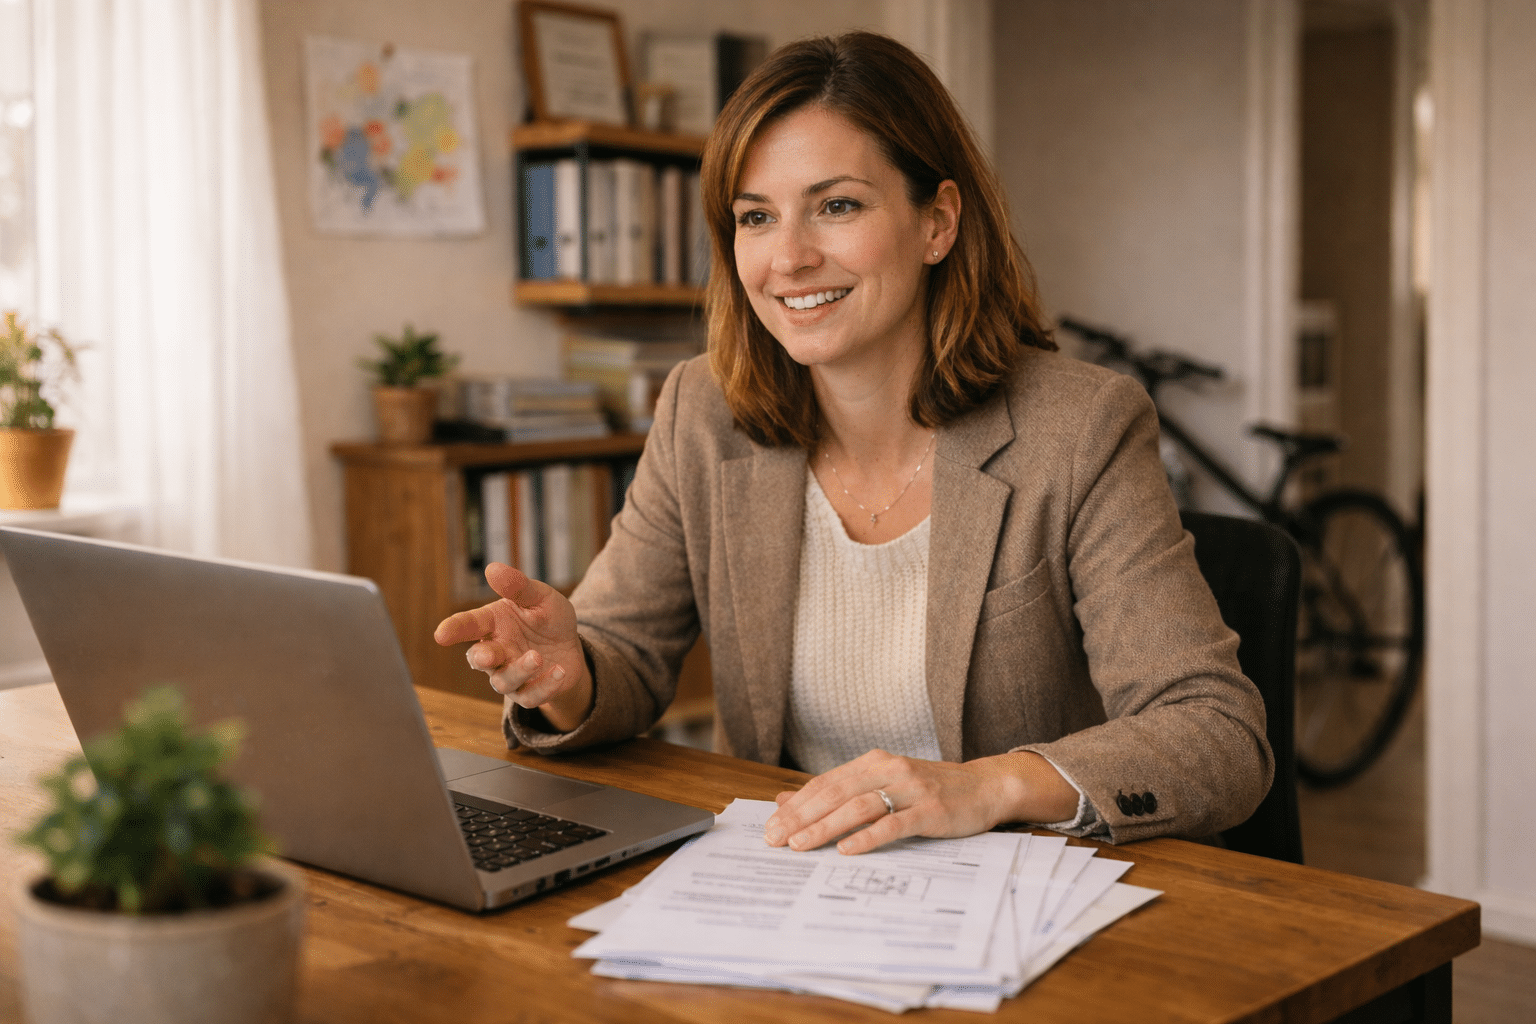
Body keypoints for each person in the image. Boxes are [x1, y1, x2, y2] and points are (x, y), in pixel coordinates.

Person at [435, 31, 1272, 855]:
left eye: (837, 206)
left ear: (937, 222)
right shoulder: (703, 409)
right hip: (789, 886)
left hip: (1016, 901)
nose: (790, 257)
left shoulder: (1080, 428)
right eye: (756, 217)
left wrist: (987, 784)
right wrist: (568, 677)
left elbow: (1217, 732)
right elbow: (624, 654)